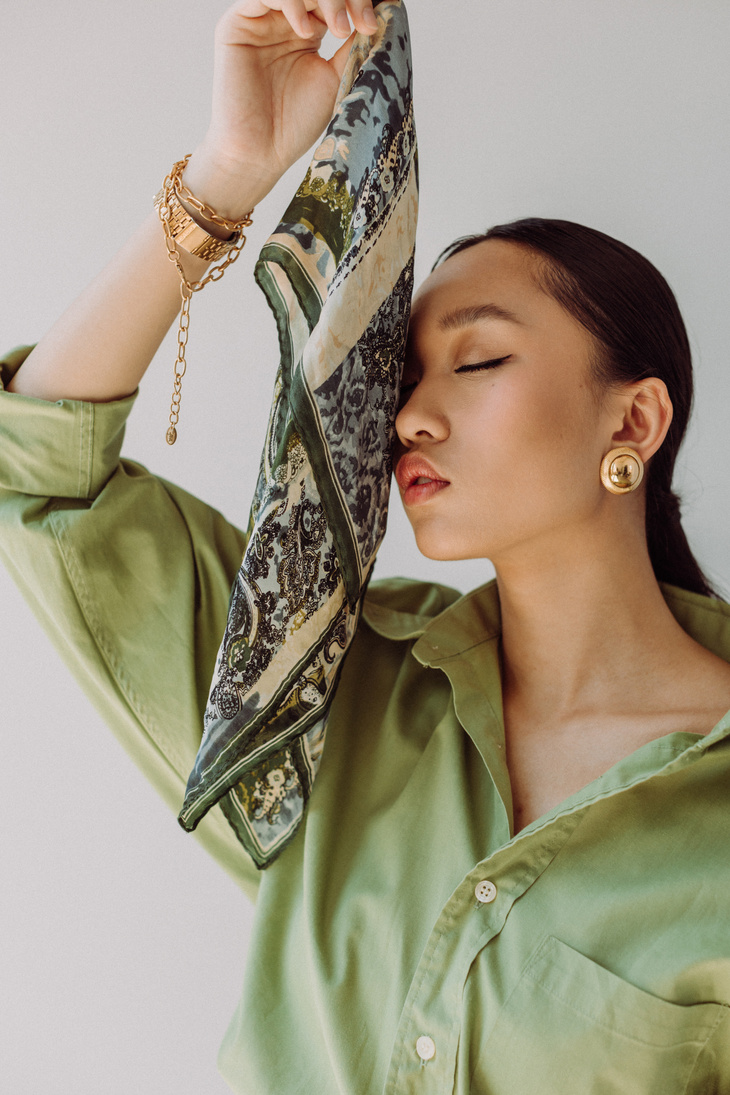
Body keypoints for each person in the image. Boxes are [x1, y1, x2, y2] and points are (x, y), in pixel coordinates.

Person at [2, 1, 729, 1092]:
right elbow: (37, 467)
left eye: (477, 362)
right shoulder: (309, 687)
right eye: (403, 376)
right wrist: (229, 172)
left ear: (632, 421)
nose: (410, 416)